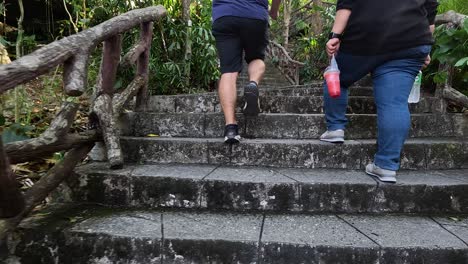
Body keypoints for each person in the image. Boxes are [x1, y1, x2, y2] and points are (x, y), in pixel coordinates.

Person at [320, 0, 438, 183]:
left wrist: (334, 35)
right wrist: (425, 49)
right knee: (394, 103)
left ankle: (335, 128)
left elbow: (347, 4)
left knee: (336, 77)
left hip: (366, 37)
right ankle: (386, 166)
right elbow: (429, 15)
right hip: (411, 41)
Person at [212, 0, 281, 144]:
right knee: (256, 58)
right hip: (254, 15)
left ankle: (230, 128)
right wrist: (274, 11)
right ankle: (253, 83)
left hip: (225, 15)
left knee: (228, 71)